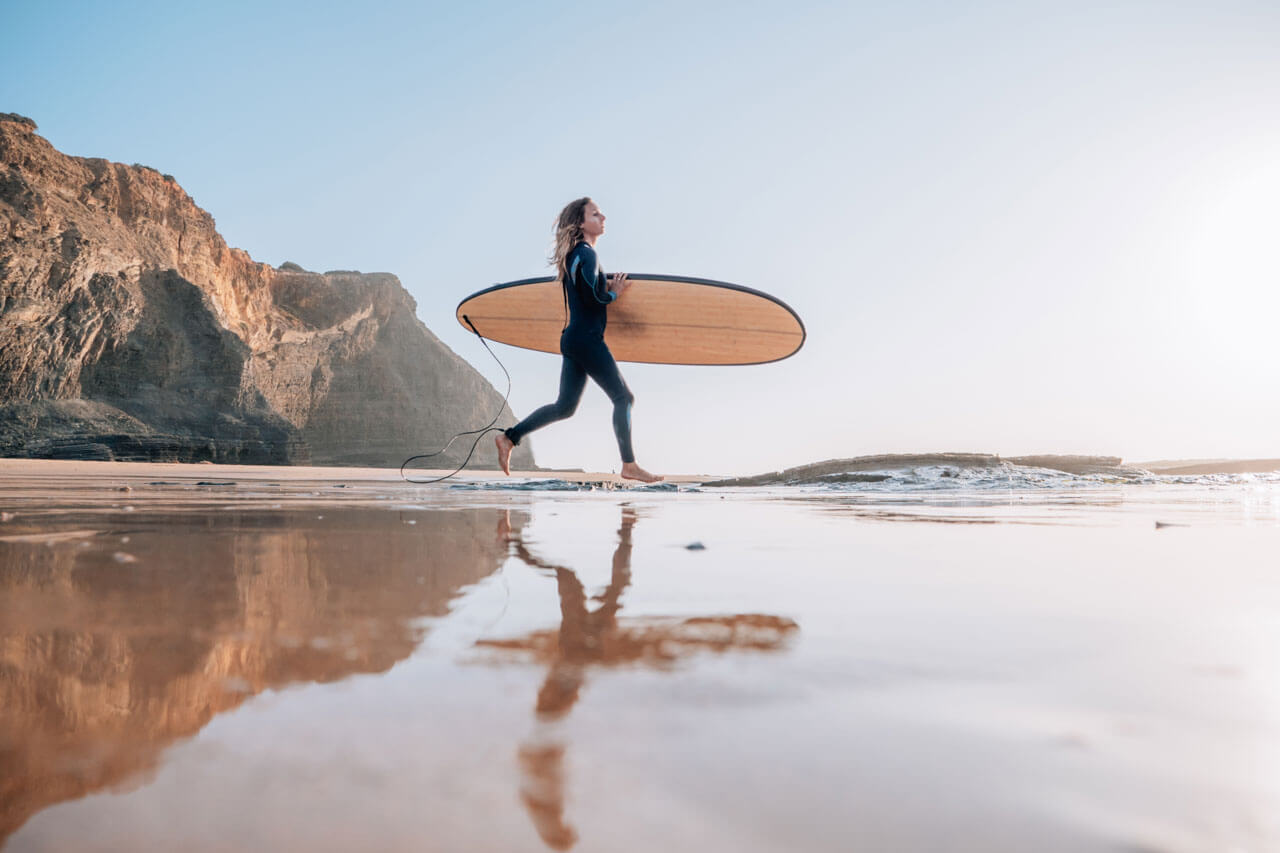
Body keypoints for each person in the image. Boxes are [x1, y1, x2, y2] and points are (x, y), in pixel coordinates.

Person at [495, 198, 663, 483]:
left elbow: (585, 291)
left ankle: (509, 438)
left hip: (574, 339)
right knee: (624, 398)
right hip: (586, 339)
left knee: (565, 407)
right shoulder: (586, 254)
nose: (603, 217)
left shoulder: (575, 255)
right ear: (582, 223)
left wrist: (603, 284)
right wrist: (614, 293)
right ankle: (629, 465)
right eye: (596, 214)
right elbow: (592, 297)